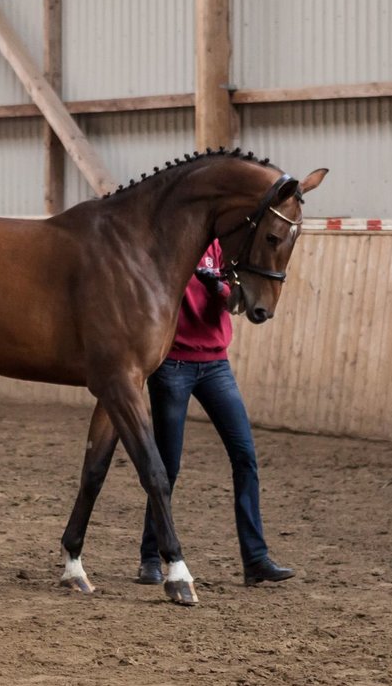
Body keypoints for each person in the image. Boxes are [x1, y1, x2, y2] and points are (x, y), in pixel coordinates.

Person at [136, 240, 294, 586]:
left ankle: (255, 558)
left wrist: (219, 286)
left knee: (245, 456)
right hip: (173, 365)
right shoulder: (170, 243)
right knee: (168, 464)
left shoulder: (220, 247)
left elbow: (237, 299)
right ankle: (151, 556)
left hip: (215, 365)